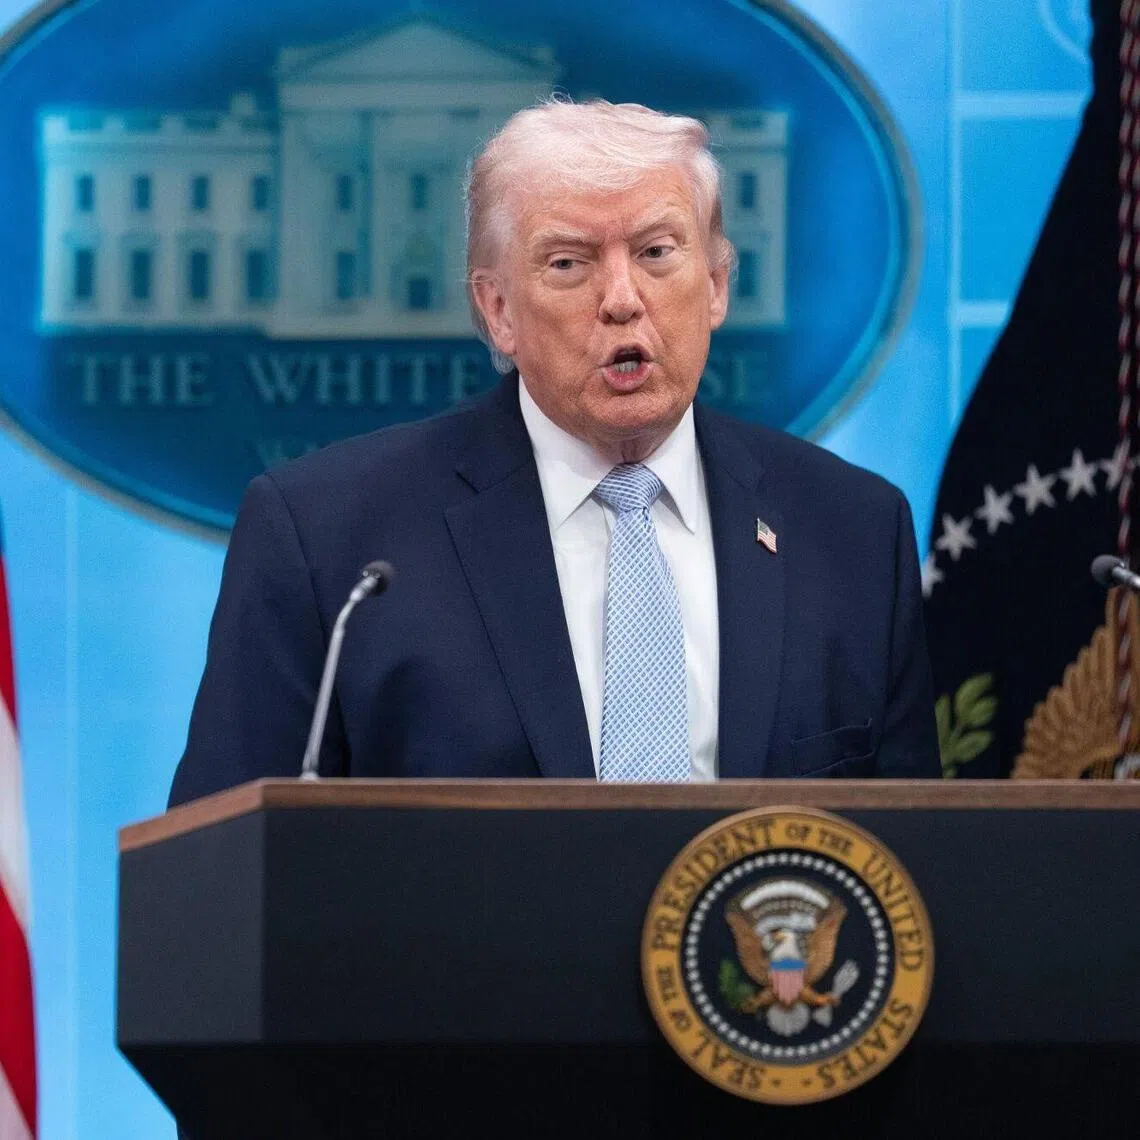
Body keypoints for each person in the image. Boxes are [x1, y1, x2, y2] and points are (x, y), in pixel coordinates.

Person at [168, 99, 938, 807]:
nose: (622, 298)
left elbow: (915, 878)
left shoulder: (854, 534)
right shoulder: (329, 543)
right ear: (498, 309)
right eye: (568, 263)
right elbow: (219, 884)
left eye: (657, 252)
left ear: (715, 284)